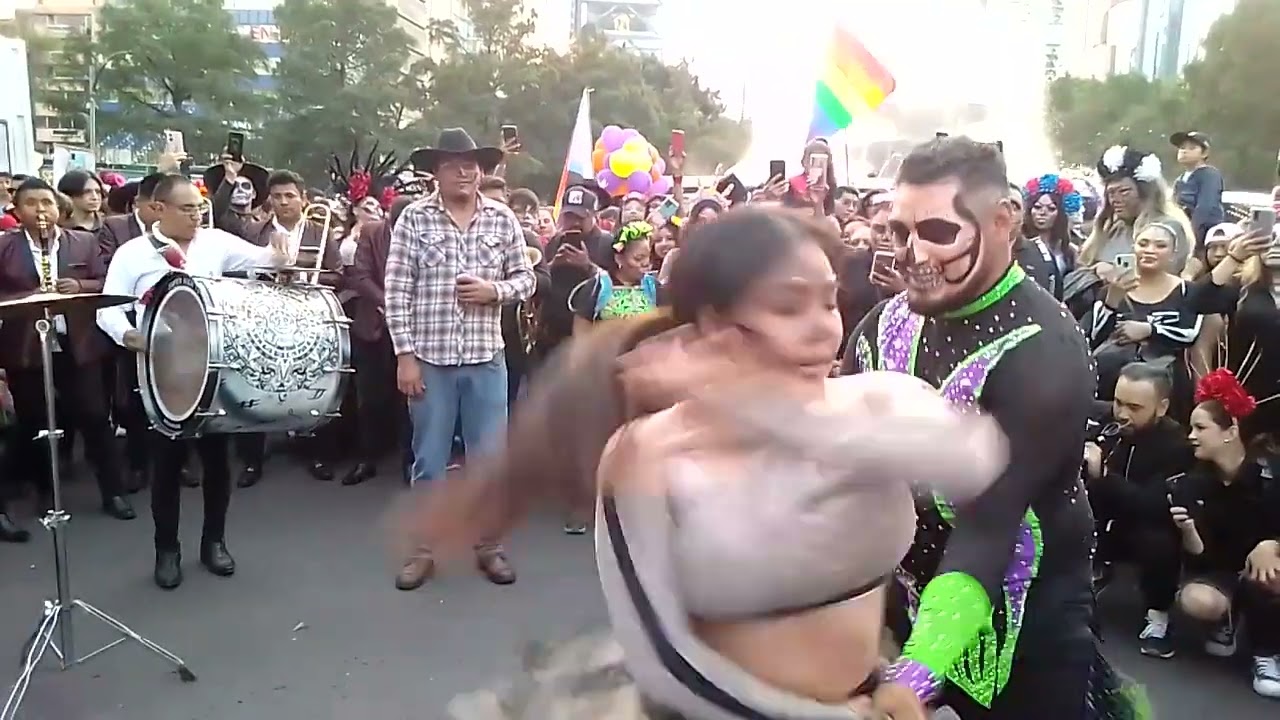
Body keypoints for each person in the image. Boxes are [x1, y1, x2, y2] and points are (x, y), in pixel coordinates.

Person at [414, 208, 1006, 720]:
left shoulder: (877, 400)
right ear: (716, 327)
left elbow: (974, 461)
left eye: (829, 300)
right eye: (788, 306)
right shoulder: (646, 454)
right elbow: (664, 659)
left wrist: (759, 406)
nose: (823, 328)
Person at [839, 136, 1145, 719]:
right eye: (899, 232)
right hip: (907, 595)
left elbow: (988, 529)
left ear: (1004, 221)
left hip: (1029, 617)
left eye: (937, 232)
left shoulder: (1045, 350)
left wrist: (915, 674)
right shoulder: (884, 325)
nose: (910, 255)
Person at [97, 174, 290, 590]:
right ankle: (167, 550)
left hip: (212, 371)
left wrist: (278, 250)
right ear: (158, 209)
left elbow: (264, 261)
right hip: (162, 373)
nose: (196, 216)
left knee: (218, 463)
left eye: (199, 208)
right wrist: (131, 336)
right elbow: (107, 310)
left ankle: (214, 542)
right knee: (166, 466)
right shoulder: (133, 254)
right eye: (187, 209)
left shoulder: (215, 242)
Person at [387, 128, 535, 590]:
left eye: (473, 164)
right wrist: (404, 356)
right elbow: (396, 292)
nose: (466, 171)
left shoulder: (502, 219)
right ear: (436, 171)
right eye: (454, 164)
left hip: (485, 358)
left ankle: (489, 544)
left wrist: (497, 291)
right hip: (430, 360)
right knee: (428, 459)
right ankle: (424, 548)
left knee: (489, 460)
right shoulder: (413, 219)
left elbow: (527, 279)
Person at [0, 177, 135, 523]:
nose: (40, 211)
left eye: (46, 203)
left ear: (59, 208)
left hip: (77, 345)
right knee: (35, 421)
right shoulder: (5, 246)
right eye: (31, 204)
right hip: (27, 348)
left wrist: (80, 285)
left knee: (93, 417)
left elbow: (107, 280)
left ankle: (113, 491)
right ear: (17, 211)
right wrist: (26, 300)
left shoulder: (84, 242)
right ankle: (46, 491)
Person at [1174, 368, 1280, 699]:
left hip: (1265, 565)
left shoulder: (1271, 472)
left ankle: (1266, 653)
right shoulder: (1193, 480)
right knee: (1195, 600)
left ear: (1230, 431)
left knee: (1268, 573)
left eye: (1200, 428)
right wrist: (1189, 531)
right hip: (1223, 570)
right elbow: (1201, 556)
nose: (1191, 436)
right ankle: (1227, 621)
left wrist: (1272, 544)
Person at [1086, 362, 1194, 658]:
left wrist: (1104, 476)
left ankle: (1159, 616)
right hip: (1098, 518)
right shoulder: (1100, 419)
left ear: (1162, 407)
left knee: (1159, 540)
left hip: (1140, 526)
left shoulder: (1177, 445)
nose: (1122, 414)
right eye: (1119, 402)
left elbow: (1152, 504)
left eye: (1134, 407)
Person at [1170, 131, 1224, 248]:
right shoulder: (1179, 180)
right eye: (1182, 148)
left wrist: (1193, 235)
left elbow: (1206, 207)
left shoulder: (1209, 174)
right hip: (1181, 234)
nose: (1184, 151)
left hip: (1203, 236)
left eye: (1192, 148)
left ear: (1204, 153)